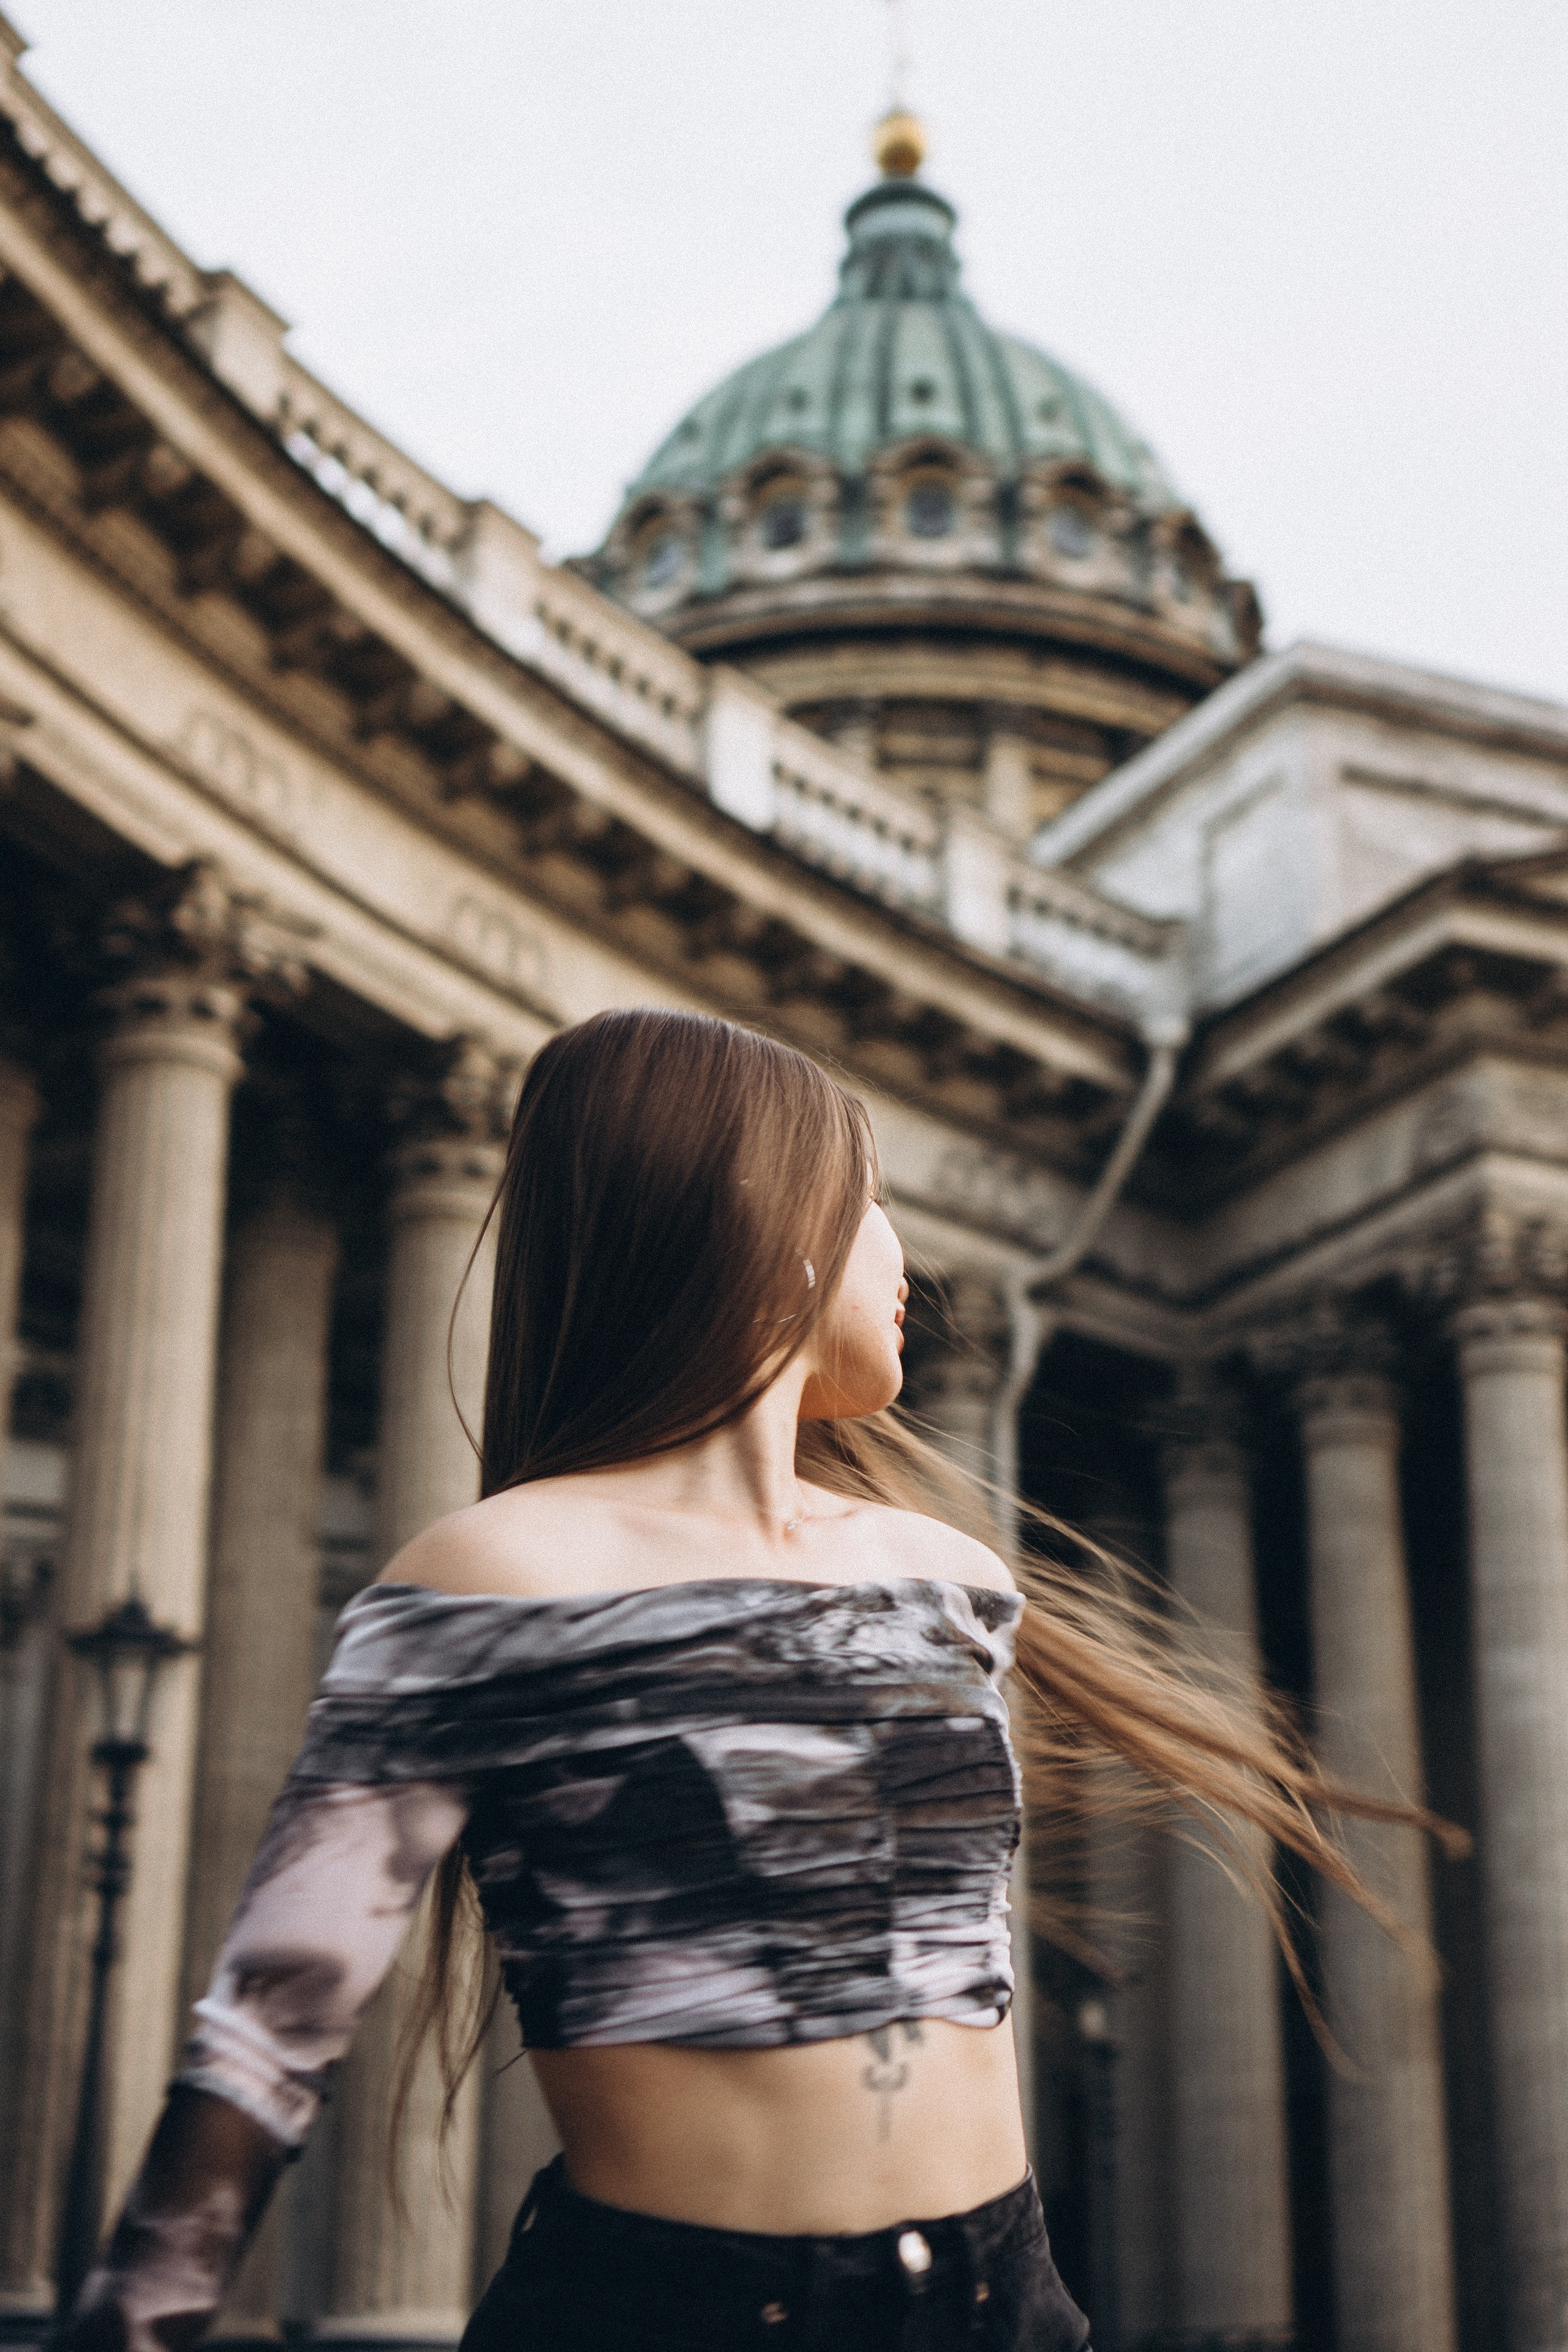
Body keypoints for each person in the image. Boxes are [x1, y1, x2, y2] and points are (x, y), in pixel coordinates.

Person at [61, 1009, 1455, 2352]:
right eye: (871, 1207)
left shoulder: (948, 1575)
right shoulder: (489, 1576)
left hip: (1006, 2299)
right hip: (674, 2311)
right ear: (773, 1228)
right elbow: (272, 2021)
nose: (906, 1255)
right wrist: (135, 2321)